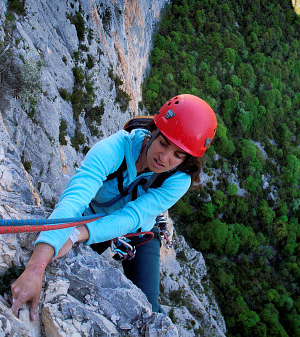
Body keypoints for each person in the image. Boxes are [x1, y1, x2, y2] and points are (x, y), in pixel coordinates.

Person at [11, 94, 217, 320]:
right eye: (162, 143)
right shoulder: (116, 148)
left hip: (137, 231)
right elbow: (75, 197)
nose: (164, 158)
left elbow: (132, 217)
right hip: (93, 216)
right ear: (153, 131)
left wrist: (74, 234)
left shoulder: (178, 180)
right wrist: (35, 269)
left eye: (177, 155)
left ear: (186, 160)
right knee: (58, 266)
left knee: (148, 310)